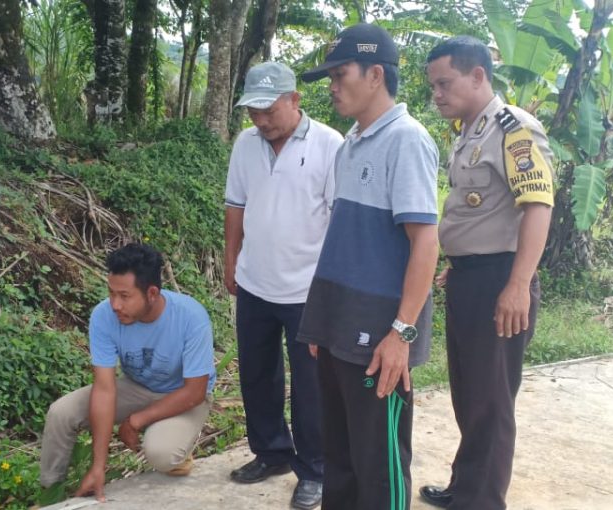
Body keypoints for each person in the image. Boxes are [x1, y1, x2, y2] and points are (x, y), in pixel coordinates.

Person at [296, 23, 440, 510]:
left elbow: (425, 243)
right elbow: (346, 241)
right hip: (338, 324)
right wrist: (322, 319)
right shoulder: (351, 143)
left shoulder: (407, 141)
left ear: (376, 74)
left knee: (379, 466)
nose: (333, 87)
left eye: (340, 75)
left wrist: (402, 333)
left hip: (379, 336)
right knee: (339, 458)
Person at [418, 36, 554, 510]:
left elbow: (537, 207)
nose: (436, 93)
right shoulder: (468, 132)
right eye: (433, 84)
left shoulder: (513, 129)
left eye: (444, 83)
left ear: (478, 75)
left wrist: (516, 284)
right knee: (471, 393)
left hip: (501, 280)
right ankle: (466, 486)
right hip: (471, 278)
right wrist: (461, 264)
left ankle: (482, 501)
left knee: (492, 402)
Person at [224, 61, 343, 509]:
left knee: (311, 385)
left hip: (306, 290)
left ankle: (315, 469)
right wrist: (230, 260)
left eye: (268, 110)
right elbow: (235, 205)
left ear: (295, 100)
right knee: (257, 375)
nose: (260, 119)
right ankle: (271, 452)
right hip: (255, 282)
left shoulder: (330, 145)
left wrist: (330, 287)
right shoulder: (245, 144)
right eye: (253, 111)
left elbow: (338, 222)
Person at [39, 243, 216, 502]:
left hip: (182, 395)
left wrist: (136, 420)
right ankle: (50, 495)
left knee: (162, 454)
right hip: (136, 387)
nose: (115, 304)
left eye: (124, 296)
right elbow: (104, 388)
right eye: (111, 293)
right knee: (61, 413)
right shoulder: (103, 316)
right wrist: (98, 465)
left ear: (152, 293)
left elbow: (195, 391)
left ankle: (174, 440)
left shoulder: (191, 317)